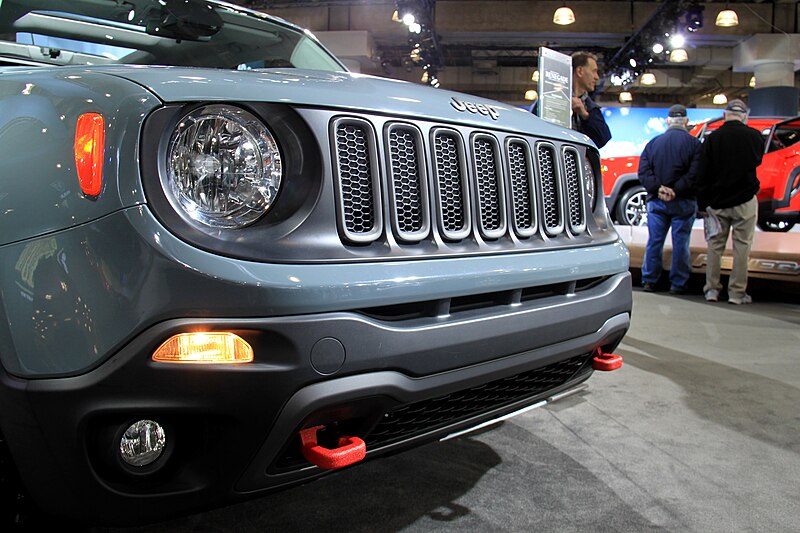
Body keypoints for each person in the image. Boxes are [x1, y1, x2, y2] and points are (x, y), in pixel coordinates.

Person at [696, 99, 764, 305]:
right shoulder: (755, 137)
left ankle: (712, 290)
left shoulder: (712, 139)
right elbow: (758, 160)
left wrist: (702, 204)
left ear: (725, 115)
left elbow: (703, 173)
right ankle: (737, 293)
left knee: (715, 247)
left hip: (717, 202)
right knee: (742, 247)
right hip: (745, 200)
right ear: (744, 116)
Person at [637, 104, 701, 294]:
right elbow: (695, 173)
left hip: (657, 202)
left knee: (655, 241)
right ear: (686, 122)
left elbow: (644, 172)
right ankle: (678, 284)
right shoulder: (695, 144)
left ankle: (649, 281)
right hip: (684, 202)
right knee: (681, 242)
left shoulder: (654, 143)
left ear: (668, 121)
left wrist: (659, 189)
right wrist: (676, 190)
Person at [571, 51, 611, 148]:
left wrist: (585, 115)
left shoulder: (592, 108)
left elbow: (602, 139)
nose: (597, 77)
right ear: (580, 71)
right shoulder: (549, 101)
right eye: (594, 71)